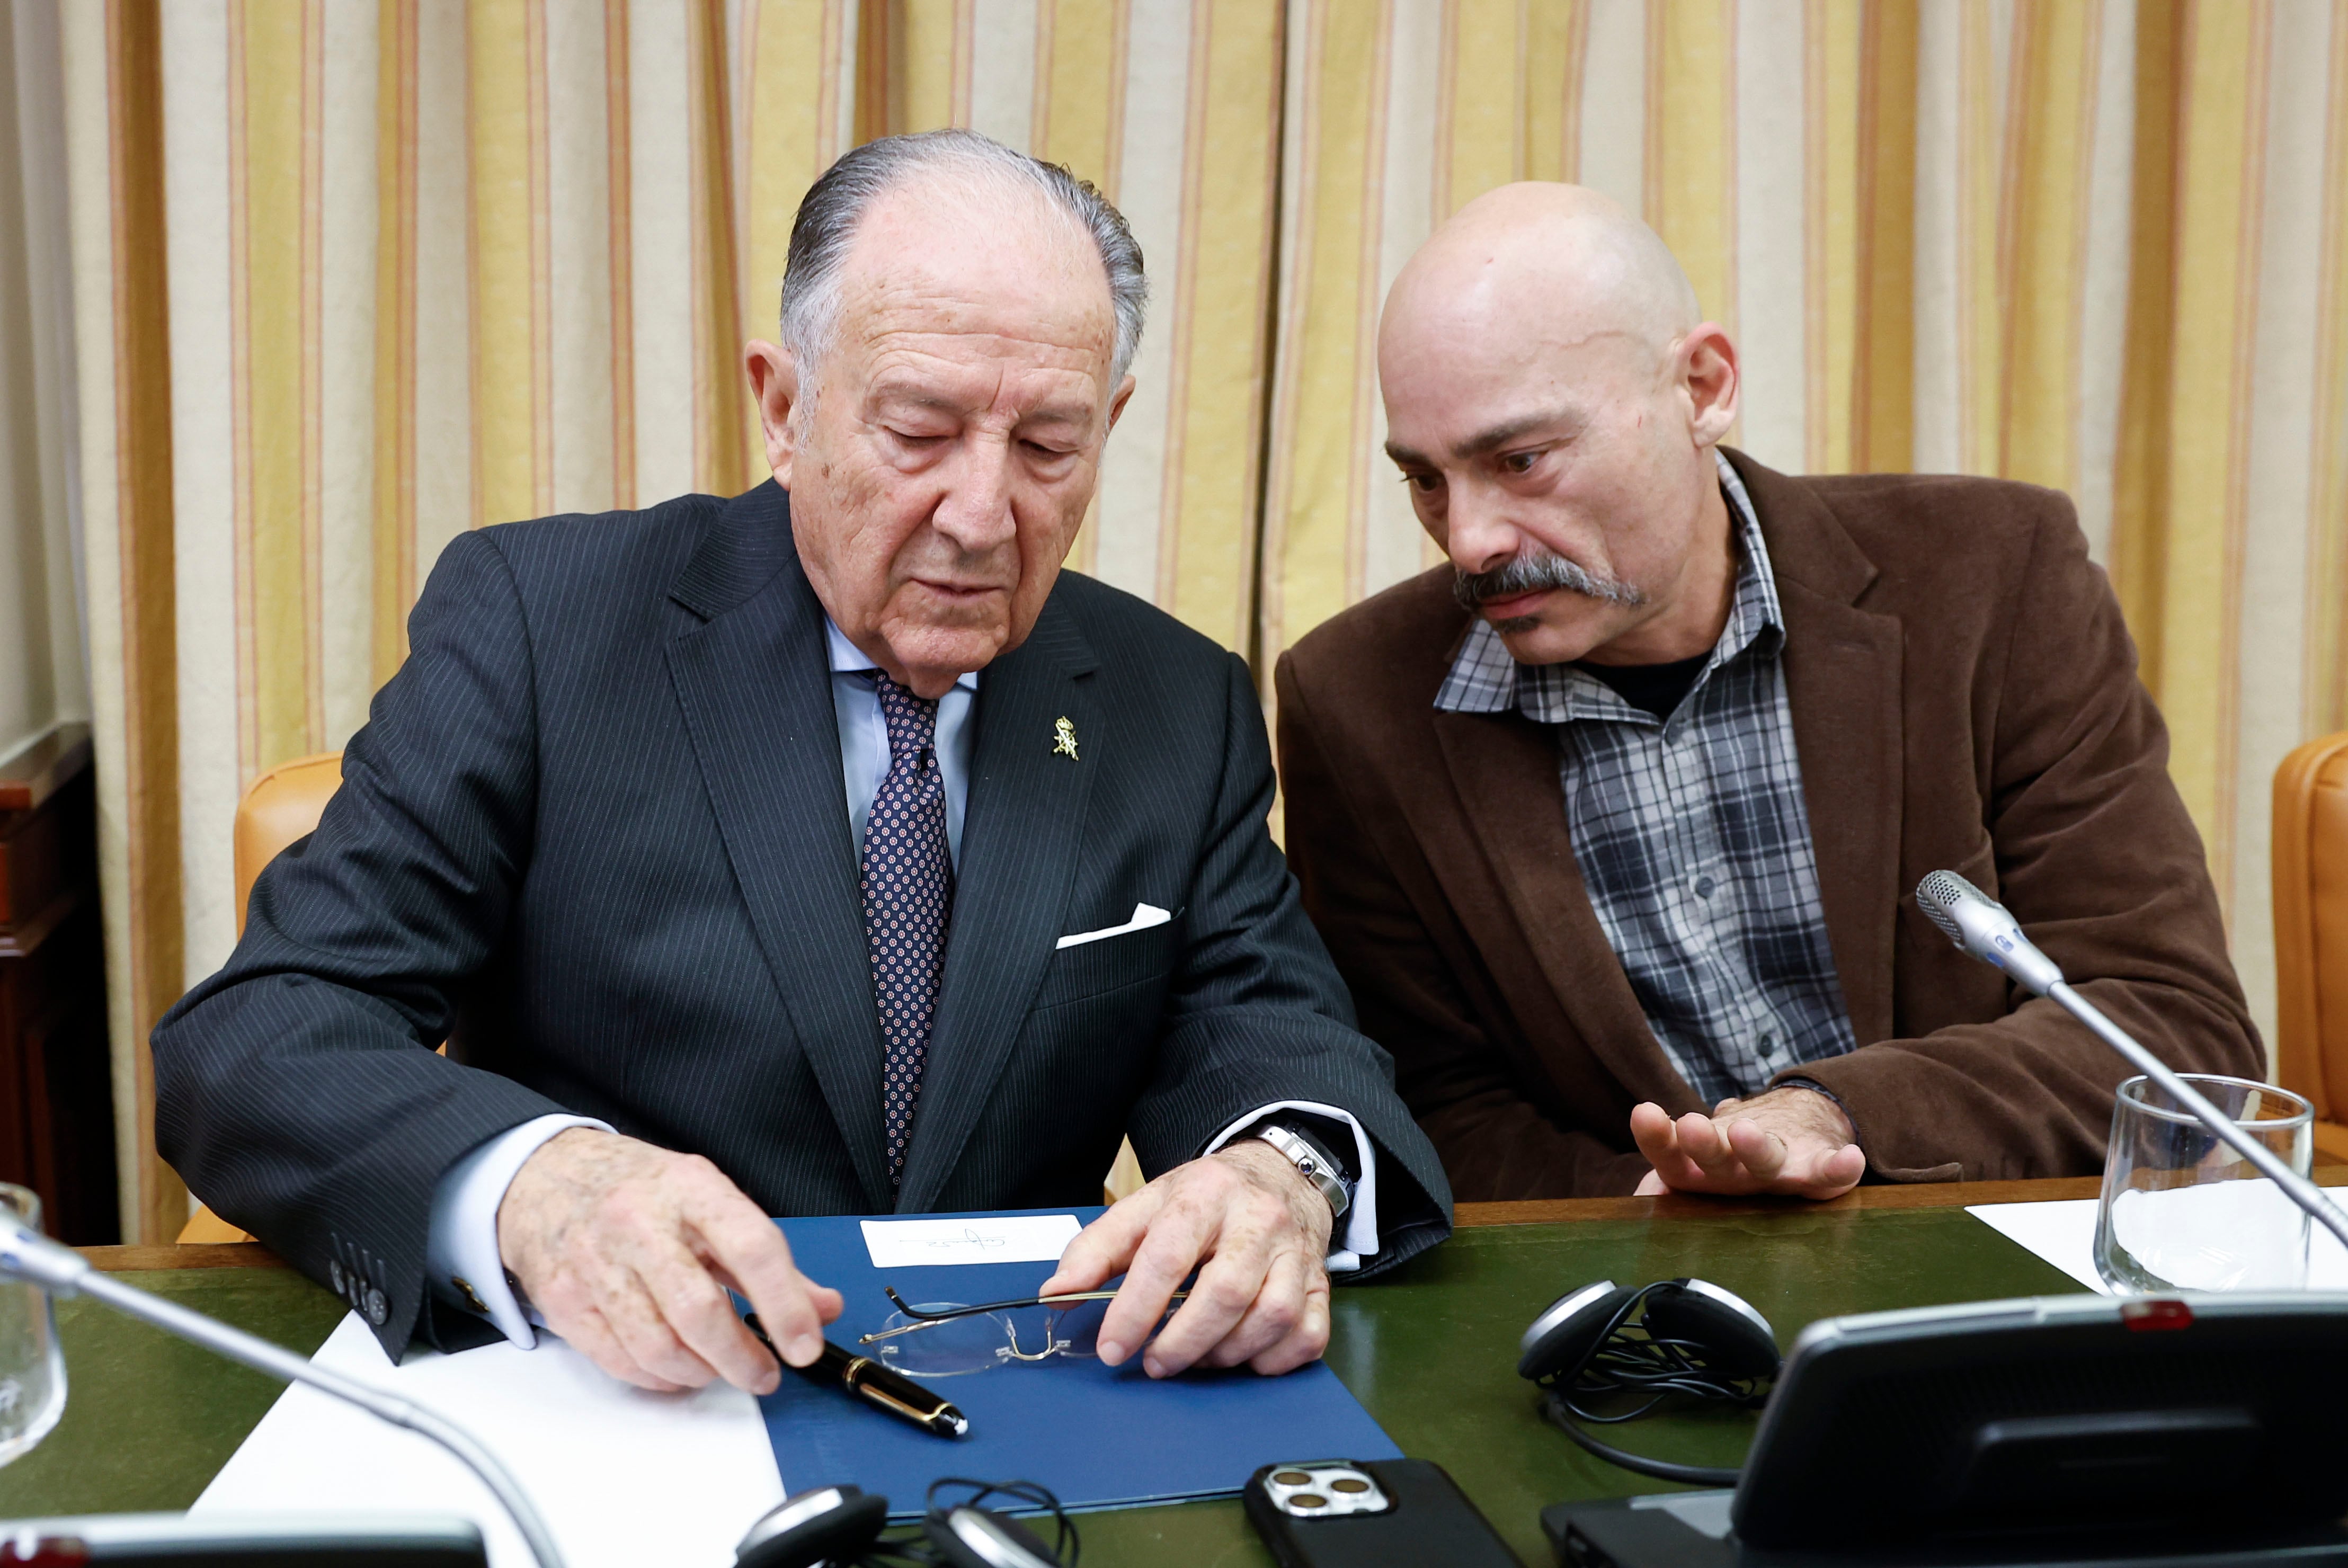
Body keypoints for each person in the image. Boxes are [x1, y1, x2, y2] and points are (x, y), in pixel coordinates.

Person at [153, 130, 1451, 1395]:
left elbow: (1273, 1032)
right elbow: (264, 1034)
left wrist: (1284, 1173)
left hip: (1023, 1391)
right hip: (636, 1391)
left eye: (1049, 446)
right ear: (784, 407)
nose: (983, 512)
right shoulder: (547, 624)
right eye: (918, 430)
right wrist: (536, 1183)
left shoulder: (1174, 698)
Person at [1275, 183, 2260, 1203]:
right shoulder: (1355, 702)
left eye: (1521, 461)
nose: (1470, 537)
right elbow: (1427, 1109)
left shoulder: (1994, 580)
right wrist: (1686, 1226)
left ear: (1702, 387)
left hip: (2000, 1274)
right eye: (1426, 481)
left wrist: (1833, 1115)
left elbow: (2171, 1027)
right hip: (1645, 1312)